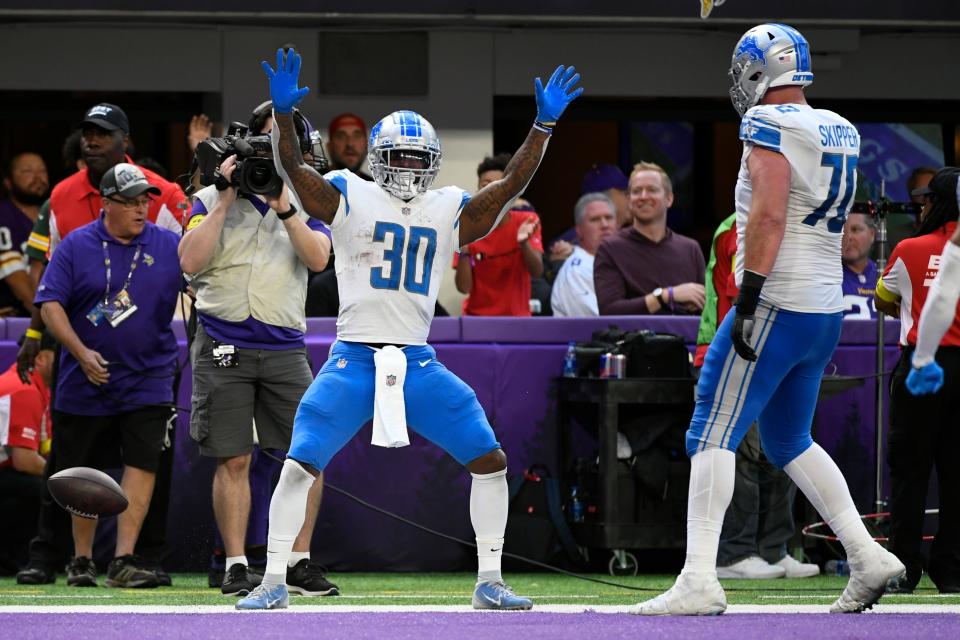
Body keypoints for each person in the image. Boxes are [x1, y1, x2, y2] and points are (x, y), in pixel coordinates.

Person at [235, 48, 581, 611]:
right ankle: (273, 580)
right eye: (399, 156)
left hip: (417, 362)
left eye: (420, 159)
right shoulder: (349, 190)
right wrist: (279, 116)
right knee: (299, 463)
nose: (410, 168)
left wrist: (542, 126)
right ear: (378, 156)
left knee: (489, 460)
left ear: (435, 163)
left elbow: (512, 183)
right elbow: (296, 173)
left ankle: (489, 580)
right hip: (353, 359)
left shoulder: (447, 206)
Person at [632, 23, 904, 616]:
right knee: (787, 439)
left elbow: (771, 216)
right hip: (823, 307)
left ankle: (700, 578)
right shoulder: (839, 126)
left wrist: (748, 299)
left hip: (778, 301)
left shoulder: (768, 124)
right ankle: (865, 554)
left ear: (761, 68)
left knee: (710, 428)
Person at [179, 99, 336, 598]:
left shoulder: (313, 199)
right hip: (223, 339)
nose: (273, 151)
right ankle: (235, 562)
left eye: (284, 142)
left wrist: (284, 205)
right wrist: (225, 199)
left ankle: (297, 559)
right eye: (266, 140)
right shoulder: (208, 196)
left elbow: (317, 261)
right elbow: (187, 261)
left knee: (306, 456)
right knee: (233, 457)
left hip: (285, 344)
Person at [28, 163, 183, 588]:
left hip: (149, 374)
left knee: (142, 464)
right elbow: (51, 305)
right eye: (130, 202)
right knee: (81, 468)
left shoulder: (169, 244)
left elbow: (203, 279)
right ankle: (80, 559)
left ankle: (124, 559)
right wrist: (79, 352)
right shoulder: (76, 245)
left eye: (144, 202)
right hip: (85, 376)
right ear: (106, 204)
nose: (140, 210)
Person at [696, 214, 819, 580]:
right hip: (738, 349)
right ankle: (735, 553)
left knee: (782, 448)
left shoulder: (790, 221)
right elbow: (747, 295)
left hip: (775, 347)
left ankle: (773, 548)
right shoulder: (742, 227)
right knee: (744, 454)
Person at [875, 166, 960, 594]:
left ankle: (904, 568)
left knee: (909, 471)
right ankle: (952, 570)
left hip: (922, 366)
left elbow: (884, 298)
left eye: (927, 199)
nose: (922, 204)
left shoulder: (908, 248)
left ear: (938, 203)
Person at [593, 161, 705, 315]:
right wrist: (666, 296)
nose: (644, 197)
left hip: (687, 338)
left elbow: (707, 311)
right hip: (634, 338)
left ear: (669, 199)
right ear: (629, 200)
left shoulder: (690, 249)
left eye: (652, 190)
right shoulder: (610, 249)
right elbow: (609, 311)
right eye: (637, 191)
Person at [455, 153, 545, 316]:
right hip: (476, 320)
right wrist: (464, 251)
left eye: (499, 185)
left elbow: (537, 272)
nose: (492, 191)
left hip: (517, 320)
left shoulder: (527, 221)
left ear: (510, 191)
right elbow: (463, 288)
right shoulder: (466, 227)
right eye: (486, 185)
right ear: (478, 191)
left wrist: (524, 244)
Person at [0, 331, 56, 574]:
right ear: (41, 359)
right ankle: (26, 559)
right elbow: (24, 461)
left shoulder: (36, 387)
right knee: (48, 489)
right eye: (60, 357)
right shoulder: (24, 389)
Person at [551, 192, 616, 317]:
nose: (605, 225)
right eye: (595, 219)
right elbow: (597, 325)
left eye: (609, 218)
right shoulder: (576, 272)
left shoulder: (621, 260)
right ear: (579, 230)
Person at [0, 152, 48, 316]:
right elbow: (13, 275)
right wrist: (46, 320)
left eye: (42, 171)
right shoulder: (3, 214)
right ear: (8, 182)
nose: (37, 177)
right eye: (27, 171)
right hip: (17, 316)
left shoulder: (55, 213)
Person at [841, 212, 878, 319]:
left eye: (855, 229)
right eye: (842, 230)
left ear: (872, 234)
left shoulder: (886, 276)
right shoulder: (825, 278)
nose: (848, 237)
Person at [326, 113, 371, 180]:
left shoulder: (377, 188)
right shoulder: (309, 182)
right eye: (341, 137)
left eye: (357, 136)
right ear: (329, 147)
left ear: (367, 146)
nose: (350, 144)